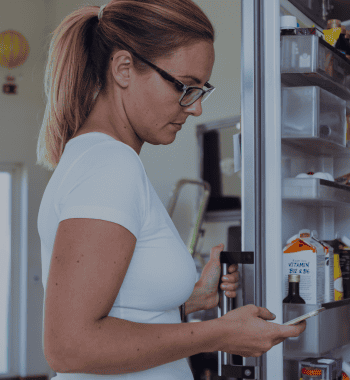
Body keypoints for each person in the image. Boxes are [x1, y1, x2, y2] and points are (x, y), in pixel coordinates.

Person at [36, 0, 305, 379]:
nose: (195, 108)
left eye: (201, 90)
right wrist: (220, 333)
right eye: (185, 87)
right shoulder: (111, 165)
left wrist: (191, 301)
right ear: (123, 69)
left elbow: (122, 311)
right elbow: (70, 347)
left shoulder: (91, 156)